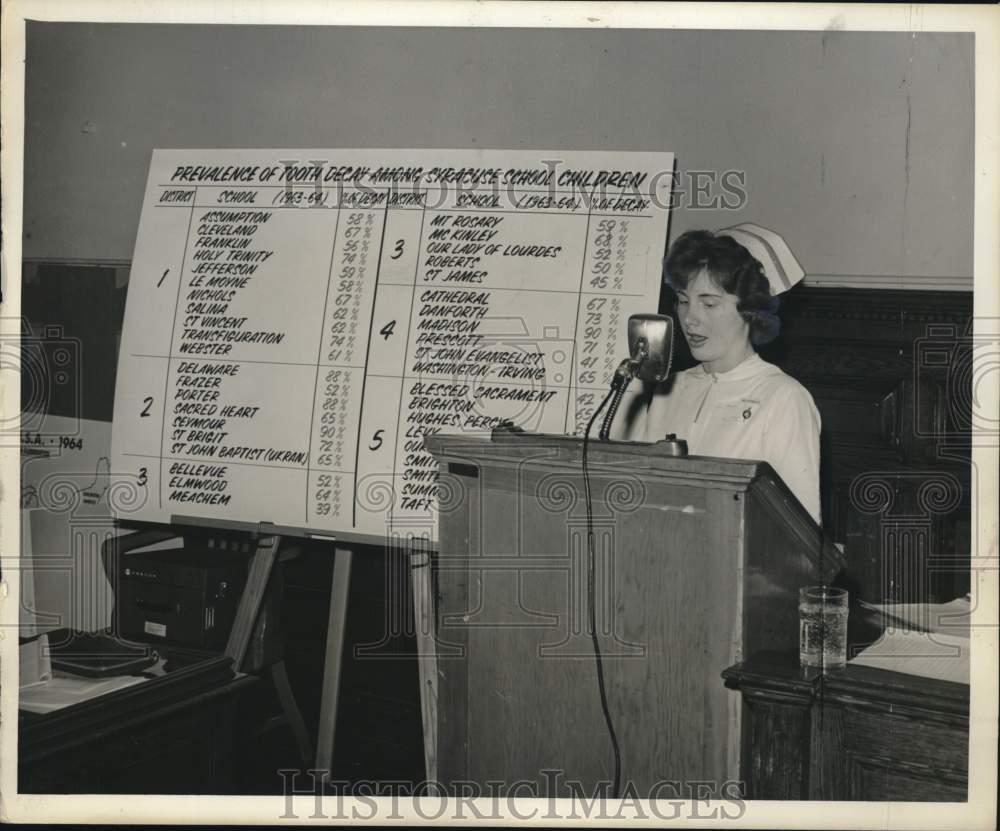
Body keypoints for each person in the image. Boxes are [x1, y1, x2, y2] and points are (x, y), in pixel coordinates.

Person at [619, 223, 822, 524]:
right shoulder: (668, 389)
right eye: (684, 301)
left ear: (750, 310)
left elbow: (799, 533)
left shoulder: (783, 398)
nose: (690, 319)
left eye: (709, 303)